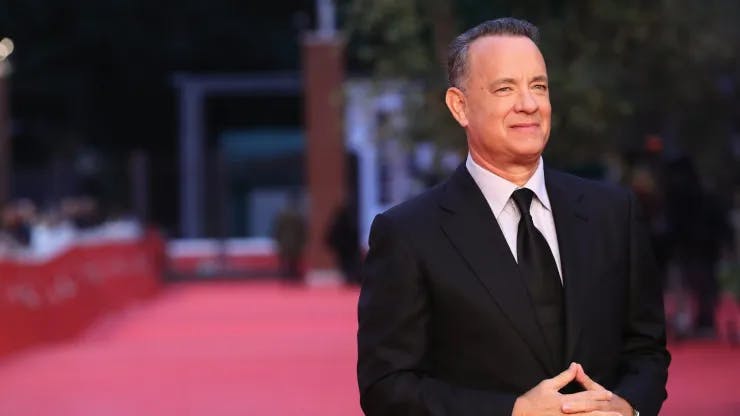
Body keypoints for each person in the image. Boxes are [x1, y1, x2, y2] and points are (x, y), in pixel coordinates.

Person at [357, 18, 669, 416]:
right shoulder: (408, 234)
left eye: (538, 86)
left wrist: (625, 407)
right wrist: (514, 412)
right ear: (460, 106)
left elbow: (646, 349)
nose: (529, 103)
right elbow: (387, 388)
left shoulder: (613, 213)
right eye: (505, 88)